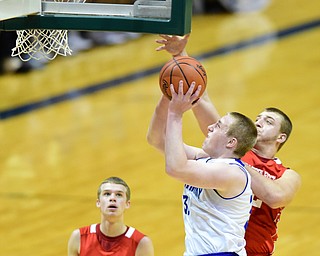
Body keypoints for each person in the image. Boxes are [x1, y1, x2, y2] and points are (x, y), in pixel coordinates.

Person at [155, 34, 301, 256]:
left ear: (281, 137)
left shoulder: (286, 174)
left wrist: (237, 163)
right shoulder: (228, 152)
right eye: (258, 117)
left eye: (269, 121)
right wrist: (180, 56)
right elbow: (201, 99)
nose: (259, 121)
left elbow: (274, 196)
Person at [147, 80, 257, 255]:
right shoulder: (207, 160)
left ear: (231, 142)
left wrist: (176, 114)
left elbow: (176, 168)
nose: (210, 127)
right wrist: (168, 96)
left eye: (218, 125)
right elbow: (157, 139)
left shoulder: (233, 172)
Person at [68, 176, 154, 256]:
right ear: (98, 202)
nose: (112, 198)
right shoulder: (78, 237)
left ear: (127, 204)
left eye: (119, 195)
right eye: (107, 194)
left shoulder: (141, 243)